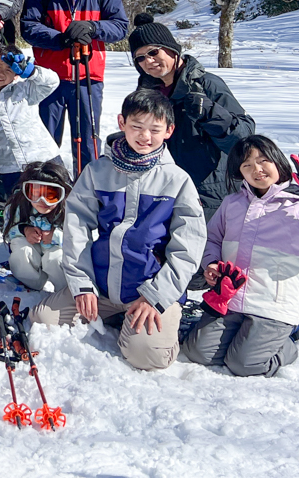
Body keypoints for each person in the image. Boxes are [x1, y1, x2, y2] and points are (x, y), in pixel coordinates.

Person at [29, 91, 206, 371]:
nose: (144, 136)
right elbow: (77, 228)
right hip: (102, 285)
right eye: (137, 126)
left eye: (154, 129)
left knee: (146, 356)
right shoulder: (98, 171)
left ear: (169, 131)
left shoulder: (177, 180)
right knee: (42, 320)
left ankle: (168, 320)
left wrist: (155, 297)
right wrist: (82, 285)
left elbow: (188, 248)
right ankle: (115, 313)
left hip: (149, 289)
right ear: (122, 122)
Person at [183, 137, 299, 377]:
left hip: (272, 305)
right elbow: (212, 239)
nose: (256, 169)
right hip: (230, 299)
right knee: (199, 353)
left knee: (244, 364)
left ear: (278, 161)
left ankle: (290, 340)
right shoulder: (232, 204)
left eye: (263, 160)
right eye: (246, 165)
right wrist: (211, 263)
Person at [19, 0, 129, 168]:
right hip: (50, 78)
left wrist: (92, 28)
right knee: (46, 143)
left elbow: (120, 26)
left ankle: (88, 196)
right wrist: (61, 39)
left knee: (88, 144)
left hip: (88, 76)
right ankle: (46, 196)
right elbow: (28, 27)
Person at [128, 13, 256, 220]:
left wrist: (213, 115)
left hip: (208, 194)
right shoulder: (145, 94)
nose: (148, 61)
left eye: (153, 52)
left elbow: (245, 141)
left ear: (172, 49)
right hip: (161, 192)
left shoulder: (206, 85)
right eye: (140, 58)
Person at [0, 46, 62, 218]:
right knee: (20, 212)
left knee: (54, 207)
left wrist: (30, 71)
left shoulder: (25, 89)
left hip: (44, 158)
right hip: (10, 167)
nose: (1, 73)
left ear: (16, 73)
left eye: (9, 69)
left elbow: (52, 81)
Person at [2, 161, 73, 293]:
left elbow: (80, 239)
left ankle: (65, 290)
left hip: (57, 248)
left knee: (55, 258)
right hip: (32, 246)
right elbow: (7, 231)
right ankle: (30, 282)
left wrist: (56, 236)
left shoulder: (69, 209)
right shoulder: (18, 205)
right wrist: (24, 230)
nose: (42, 201)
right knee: (21, 248)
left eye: (51, 195)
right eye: (35, 193)